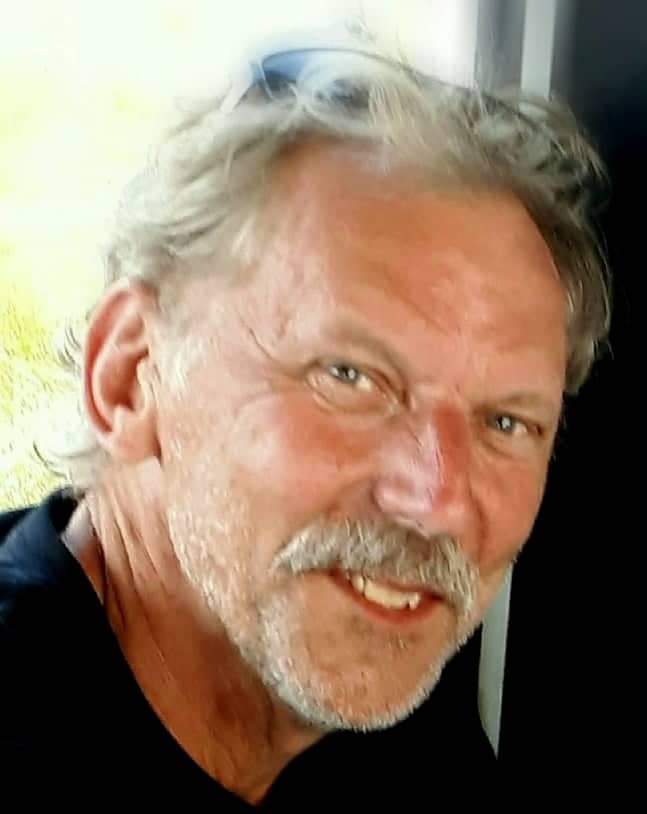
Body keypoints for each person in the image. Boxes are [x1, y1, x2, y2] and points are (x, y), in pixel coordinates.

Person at [0, 36, 610, 808]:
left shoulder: (394, 725)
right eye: (349, 377)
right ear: (130, 376)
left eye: (507, 422)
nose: (439, 504)